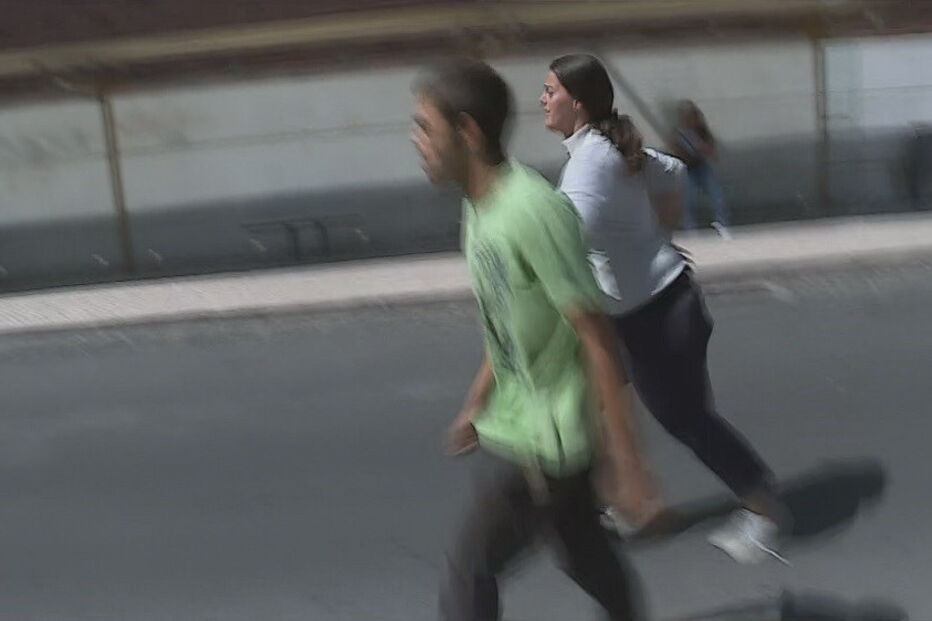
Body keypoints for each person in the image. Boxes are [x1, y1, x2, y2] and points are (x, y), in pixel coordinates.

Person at [412, 58, 660, 621]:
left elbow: (597, 336)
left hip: (547, 442)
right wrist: (476, 404)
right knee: (580, 550)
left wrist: (629, 464)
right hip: (528, 422)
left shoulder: (532, 213)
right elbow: (511, 319)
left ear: (468, 132)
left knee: (471, 569)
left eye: (426, 127)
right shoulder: (481, 207)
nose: (415, 140)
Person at [540, 54, 785, 564]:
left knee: (687, 418)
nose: (541, 99)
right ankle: (635, 504)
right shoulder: (603, 147)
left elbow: (562, 243)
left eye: (550, 90)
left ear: (577, 102)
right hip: (638, 311)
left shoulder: (588, 165)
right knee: (595, 406)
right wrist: (657, 240)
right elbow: (671, 171)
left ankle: (763, 509)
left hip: (658, 316)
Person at [671, 99, 731, 238]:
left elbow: (712, 153)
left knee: (718, 196)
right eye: (689, 116)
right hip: (687, 170)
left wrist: (703, 146)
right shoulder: (677, 134)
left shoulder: (702, 132)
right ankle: (691, 229)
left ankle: (723, 225)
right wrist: (694, 152)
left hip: (702, 167)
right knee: (687, 201)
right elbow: (678, 154)